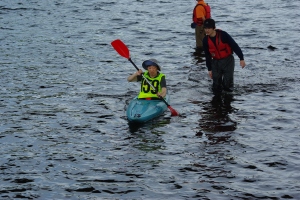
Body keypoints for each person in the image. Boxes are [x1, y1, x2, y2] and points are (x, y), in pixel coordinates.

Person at [202, 18, 246, 95]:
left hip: (228, 61)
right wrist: (209, 69)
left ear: (214, 28)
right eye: (205, 28)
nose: (207, 30)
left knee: (227, 84)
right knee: (216, 85)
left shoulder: (223, 35)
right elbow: (207, 55)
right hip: (215, 63)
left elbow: (234, 45)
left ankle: (228, 102)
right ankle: (216, 102)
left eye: (209, 28)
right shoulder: (205, 40)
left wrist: (241, 58)